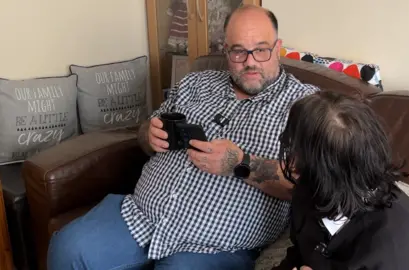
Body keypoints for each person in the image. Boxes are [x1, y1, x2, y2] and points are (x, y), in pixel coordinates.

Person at [47, 5, 320, 270]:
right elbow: (146, 132)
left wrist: (241, 163)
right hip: (140, 216)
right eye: (238, 51)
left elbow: (305, 187)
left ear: (277, 47)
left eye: (260, 50)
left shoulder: (305, 105)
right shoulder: (195, 83)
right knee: (69, 250)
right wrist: (148, 135)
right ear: (225, 50)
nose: (250, 62)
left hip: (216, 246)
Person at [273, 91, 409, 270]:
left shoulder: (397, 254)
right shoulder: (308, 192)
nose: (290, 161)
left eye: (295, 148)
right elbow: (300, 252)